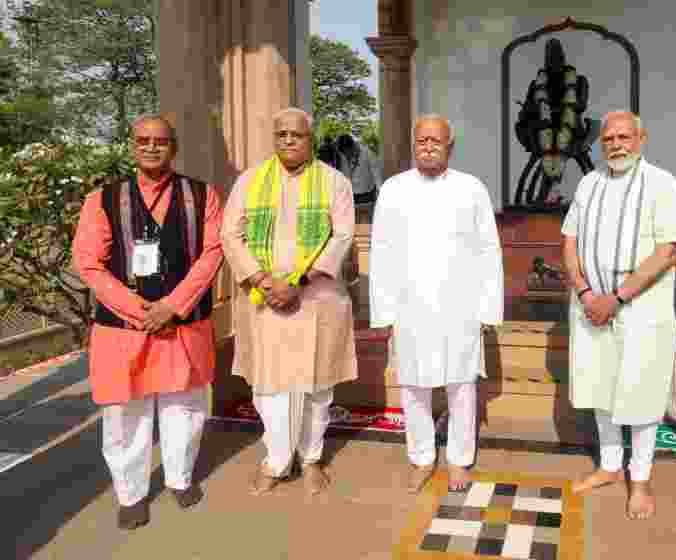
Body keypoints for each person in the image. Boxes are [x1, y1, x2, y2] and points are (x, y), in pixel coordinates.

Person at [72, 114, 225, 529]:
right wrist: (141, 310)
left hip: (182, 321)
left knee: (184, 406)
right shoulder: (103, 199)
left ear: (174, 147)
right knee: (125, 413)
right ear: (132, 145)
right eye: (143, 140)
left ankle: (179, 478)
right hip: (124, 327)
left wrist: (172, 306)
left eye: (160, 141)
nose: (152, 147)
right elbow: (88, 262)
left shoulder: (202, 195)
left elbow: (213, 252)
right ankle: (130, 494)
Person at [221, 107, 358, 495]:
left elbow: (342, 236)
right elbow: (230, 234)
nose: (288, 140)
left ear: (310, 138)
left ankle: (311, 458)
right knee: (269, 385)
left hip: (316, 298)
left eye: (296, 134)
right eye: (281, 134)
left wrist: (298, 282)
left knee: (317, 384)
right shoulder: (250, 181)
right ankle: (276, 460)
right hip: (264, 298)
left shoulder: (334, 181)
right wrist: (264, 280)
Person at [561, 110, 676, 520]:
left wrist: (616, 297)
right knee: (601, 388)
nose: (615, 145)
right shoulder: (589, 182)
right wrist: (585, 292)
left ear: (641, 138)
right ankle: (610, 466)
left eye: (624, 137)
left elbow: (668, 250)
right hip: (590, 306)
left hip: (640, 308)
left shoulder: (662, 183)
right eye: (609, 139)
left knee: (642, 393)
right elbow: (569, 241)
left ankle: (641, 478)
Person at [369, 114, 503, 493]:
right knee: (413, 386)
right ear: (414, 145)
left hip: (461, 305)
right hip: (409, 305)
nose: (428, 147)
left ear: (450, 147)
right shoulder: (394, 189)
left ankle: (459, 460)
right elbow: (382, 251)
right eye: (422, 141)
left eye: (436, 141)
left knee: (461, 385)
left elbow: (488, 250)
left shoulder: (471, 189)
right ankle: (422, 457)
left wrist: (488, 307)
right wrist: (384, 311)